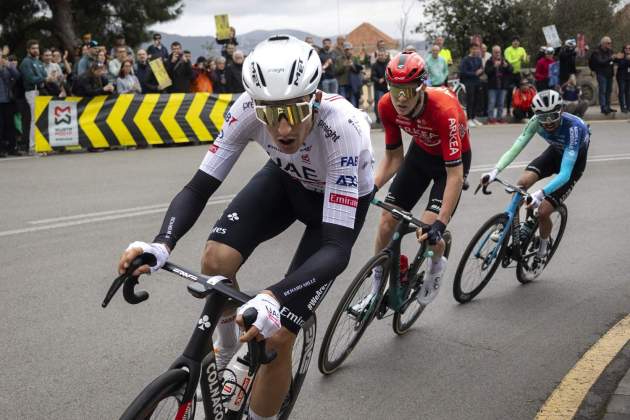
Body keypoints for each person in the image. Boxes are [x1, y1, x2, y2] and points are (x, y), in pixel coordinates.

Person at [116, 35, 374, 420]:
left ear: (314, 99)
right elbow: (198, 186)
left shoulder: (343, 128)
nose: (282, 127)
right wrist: (162, 244)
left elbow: (337, 249)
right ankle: (225, 351)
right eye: (269, 113)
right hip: (288, 180)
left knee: (279, 333)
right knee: (215, 258)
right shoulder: (244, 111)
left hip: (334, 207)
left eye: (293, 111)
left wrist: (273, 296)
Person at [354, 51, 471, 310]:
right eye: (396, 90)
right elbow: (394, 158)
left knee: (427, 232)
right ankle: (377, 287)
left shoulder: (446, 111)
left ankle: (436, 266)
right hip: (419, 156)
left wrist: (440, 222)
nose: (401, 99)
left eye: (408, 91)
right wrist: (369, 188)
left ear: (422, 88)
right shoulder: (385, 105)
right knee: (386, 222)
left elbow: (455, 175)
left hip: (449, 166)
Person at [481, 90, 589, 269]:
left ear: (561, 111)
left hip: (572, 163)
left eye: (553, 116)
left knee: (544, 211)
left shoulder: (574, 128)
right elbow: (516, 147)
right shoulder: (535, 122)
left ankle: (543, 247)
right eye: (542, 118)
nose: (548, 123)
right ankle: (509, 226)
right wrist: (494, 171)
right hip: (554, 153)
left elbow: (565, 173)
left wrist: (541, 193)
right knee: (521, 183)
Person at [19, 40, 48, 154]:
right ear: (28, 50)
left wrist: (44, 78)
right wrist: (44, 78)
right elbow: (31, 79)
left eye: (37, 48)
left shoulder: (38, 62)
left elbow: (43, 75)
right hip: (32, 91)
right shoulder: (26, 62)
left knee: (40, 119)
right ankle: (32, 146)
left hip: (40, 91)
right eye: (33, 48)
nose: (36, 50)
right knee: (34, 119)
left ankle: (40, 144)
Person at [485, 45, 512, 123]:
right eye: (495, 52)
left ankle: (499, 118)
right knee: (492, 103)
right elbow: (487, 72)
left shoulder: (504, 60)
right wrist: (494, 66)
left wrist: (507, 66)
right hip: (492, 86)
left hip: (502, 85)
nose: (497, 53)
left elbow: (511, 70)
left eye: (498, 52)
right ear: (492, 53)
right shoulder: (489, 61)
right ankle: (490, 118)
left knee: (501, 103)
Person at [0, 53, 21, 157]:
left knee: (10, 125)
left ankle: (13, 148)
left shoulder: (7, 66)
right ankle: (1, 149)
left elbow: (17, 75)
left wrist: (8, 65)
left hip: (8, 100)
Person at [589, 36, 616, 114]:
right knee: (603, 91)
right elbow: (600, 62)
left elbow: (613, 60)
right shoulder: (596, 52)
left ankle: (608, 106)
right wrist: (611, 58)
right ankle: (603, 107)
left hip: (609, 74)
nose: (610, 44)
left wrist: (618, 57)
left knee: (609, 91)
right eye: (608, 43)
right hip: (601, 74)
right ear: (603, 43)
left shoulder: (610, 51)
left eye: (610, 43)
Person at [459, 43, 483, 127]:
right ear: (470, 49)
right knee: (470, 100)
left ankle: (473, 117)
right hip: (468, 83)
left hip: (477, 82)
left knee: (476, 100)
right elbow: (463, 72)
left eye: (477, 49)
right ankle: (468, 119)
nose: (475, 51)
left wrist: (480, 72)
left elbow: (480, 69)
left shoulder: (479, 59)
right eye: (474, 49)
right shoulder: (466, 59)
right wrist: (474, 73)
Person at [335, 42, 363, 107]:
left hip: (353, 84)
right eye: (346, 50)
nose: (348, 51)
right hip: (343, 84)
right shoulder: (338, 59)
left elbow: (358, 70)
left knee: (353, 103)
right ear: (343, 50)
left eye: (349, 49)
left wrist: (352, 65)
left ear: (352, 50)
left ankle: (353, 116)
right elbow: (336, 72)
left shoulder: (355, 58)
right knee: (343, 103)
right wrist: (344, 66)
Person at [370, 49, 389, 124]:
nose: (381, 57)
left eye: (382, 55)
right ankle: (379, 119)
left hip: (387, 87)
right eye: (379, 55)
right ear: (377, 56)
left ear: (385, 56)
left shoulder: (388, 64)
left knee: (388, 104)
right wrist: (378, 80)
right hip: (378, 88)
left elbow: (390, 74)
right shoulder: (374, 65)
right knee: (379, 103)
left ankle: (387, 118)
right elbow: (372, 77)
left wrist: (384, 79)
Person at [614, 44, 630, 114]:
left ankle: (628, 106)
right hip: (621, 76)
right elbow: (620, 64)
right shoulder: (621, 55)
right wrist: (627, 59)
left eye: (629, 48)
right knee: (622, 91)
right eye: (626, 48)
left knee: (628, 92)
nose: (628, 50)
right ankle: (622, 107)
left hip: (628, 76)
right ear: (624, 49)